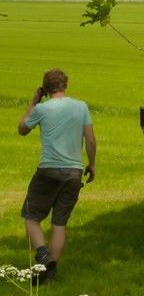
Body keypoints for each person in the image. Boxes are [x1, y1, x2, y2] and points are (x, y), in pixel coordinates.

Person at [18, 68, 95, 285]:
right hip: (73, 172)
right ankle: (48, 274)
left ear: (45, 88)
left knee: (31, 216)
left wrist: (33, 102)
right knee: (59, 223)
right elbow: (90, 140)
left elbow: (22, 129)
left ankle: (42, 253)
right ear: (65, 85)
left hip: (48, 170)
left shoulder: (42, 108)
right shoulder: (81, 107)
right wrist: (92, 164)